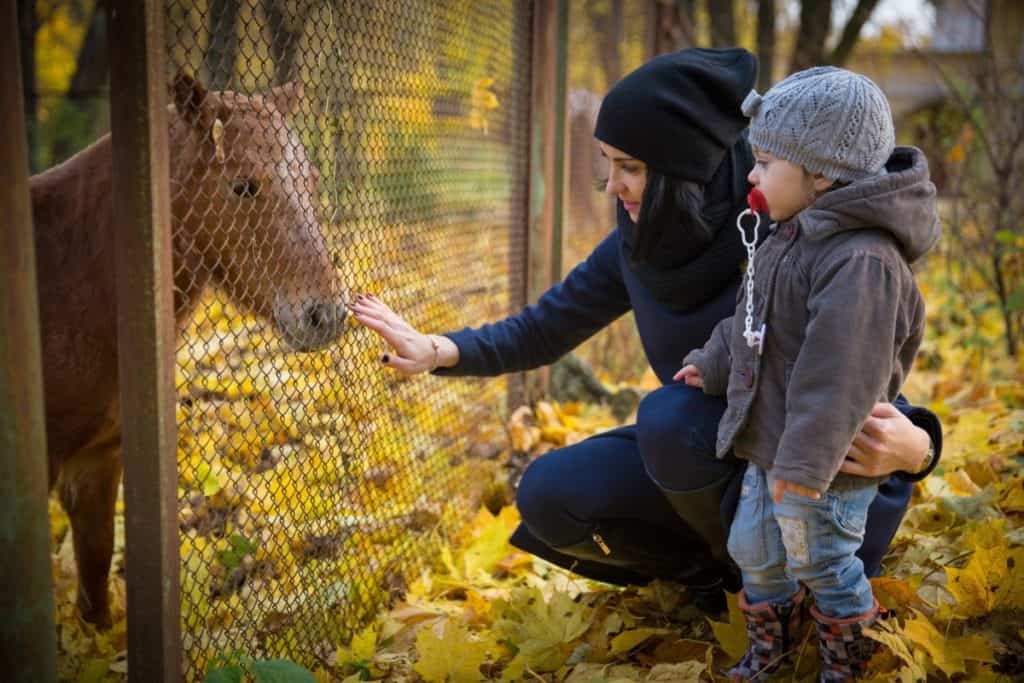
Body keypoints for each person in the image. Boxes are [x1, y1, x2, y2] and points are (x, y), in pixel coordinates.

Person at [347, 48, 942, 616]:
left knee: (670, 417)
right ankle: (722, 581)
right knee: (550, 494)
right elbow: (545, 326)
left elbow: (860, 362)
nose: (611, 185)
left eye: (630, 167)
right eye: (607, 163)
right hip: (720, 459)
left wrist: (920, 449)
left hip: (823, 480)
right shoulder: (644, 239)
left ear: (685, 168)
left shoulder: (791, 217)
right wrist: (436, 350)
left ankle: (795, 588)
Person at [678, 67, 940, 680]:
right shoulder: (791, 235)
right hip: (773, 448)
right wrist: (714, 361)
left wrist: (803, 469)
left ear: (820, 174)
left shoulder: (862, 261)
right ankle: (774, 644)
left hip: (825, 462)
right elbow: (753, 317)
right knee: (755, 550)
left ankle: (847, 654)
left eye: (765, 163)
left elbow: (839, 378)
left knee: (822, 557)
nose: (751, 175)